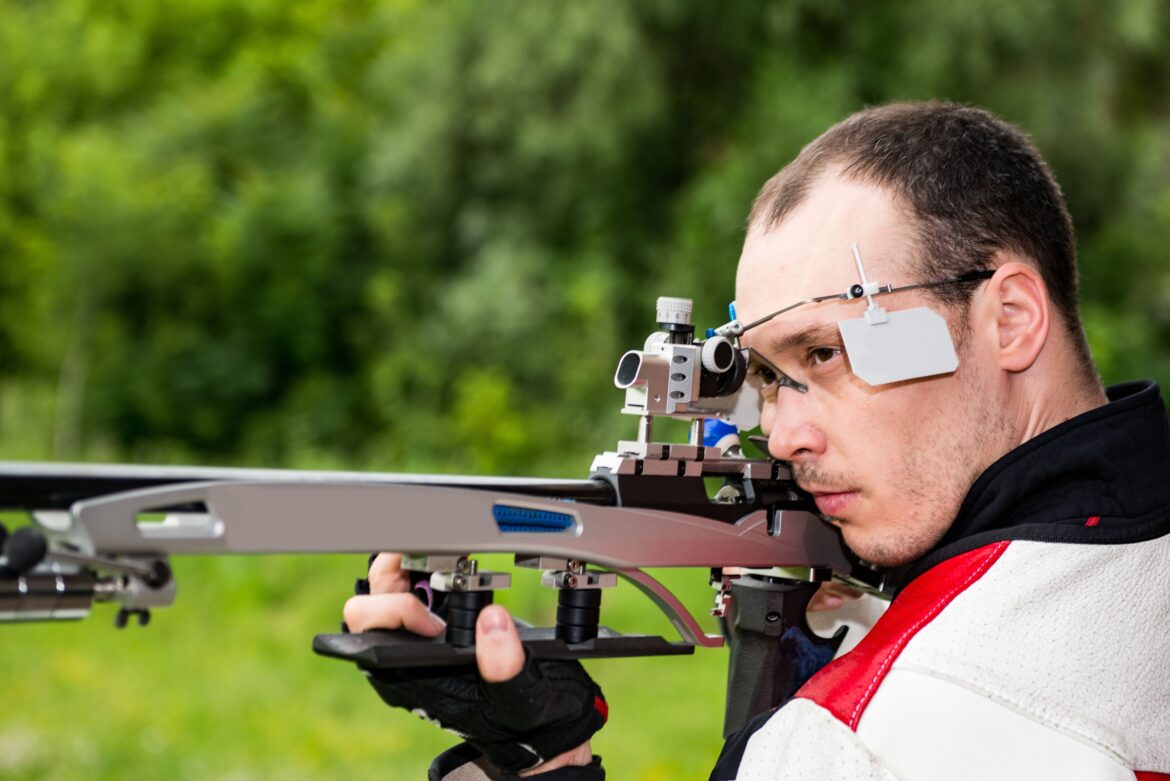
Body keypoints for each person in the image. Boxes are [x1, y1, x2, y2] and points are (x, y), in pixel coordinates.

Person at [343, 102, 1170, 779]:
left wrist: (547, 765)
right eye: (767, 376)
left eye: (824, 352)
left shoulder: (866, 736)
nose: (779, 434)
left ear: (1009, 318)